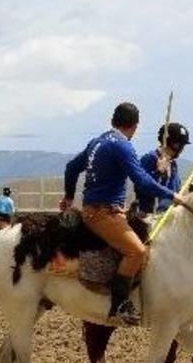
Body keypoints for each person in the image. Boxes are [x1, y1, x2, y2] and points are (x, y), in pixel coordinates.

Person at [62, 102, 184, 326]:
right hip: (103, 214)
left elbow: (71, 167)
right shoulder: (123, 146)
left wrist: (69, 197)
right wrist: (173, 195)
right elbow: (142, 181)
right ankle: (119, 304)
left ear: (112, 121)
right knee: (137, 252)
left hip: (98, 208)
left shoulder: (96, 142)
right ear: (135, 126)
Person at [138, 122, 191, 215]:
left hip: (167, 216)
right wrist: (158, 172)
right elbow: (143, 187)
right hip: (148, 216)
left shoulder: (173, 165)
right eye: (181, 145)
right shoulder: (149, 159)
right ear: (174, 144)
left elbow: (175, 190)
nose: (183, 150)